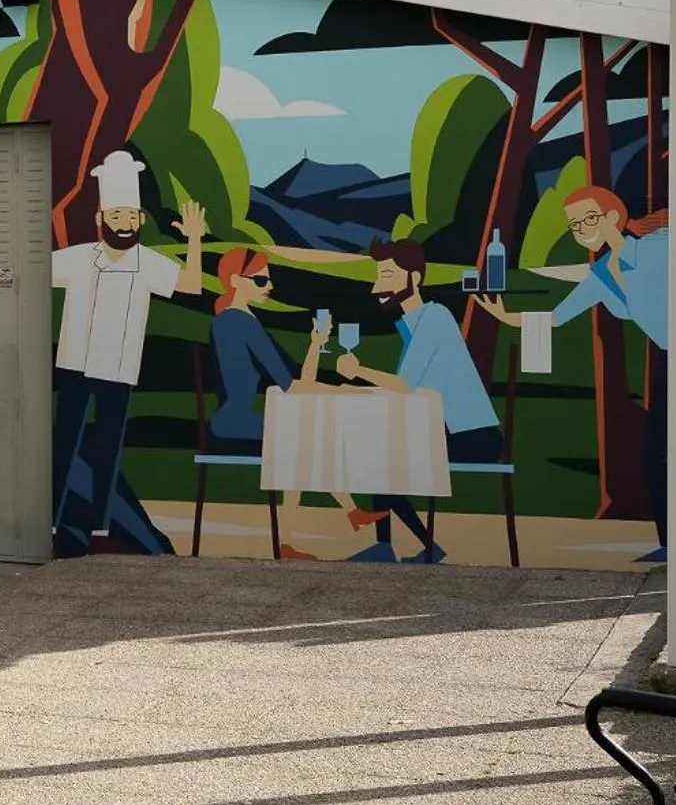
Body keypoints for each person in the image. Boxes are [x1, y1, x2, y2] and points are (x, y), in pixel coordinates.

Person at [476, 184, 676, 563]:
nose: (582, 229)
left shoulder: (657, 248)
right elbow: (556, 317)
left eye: (588, 219)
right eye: (575, 225)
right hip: (674, 355)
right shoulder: (601, 275)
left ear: (613, 216)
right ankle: (670, 545)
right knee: (656, 451)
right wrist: (505, 316)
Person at [52, 150, 207, 557]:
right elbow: (35, 270)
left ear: (140, 221)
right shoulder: (79, 258)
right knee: (63, 445)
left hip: (119, 369)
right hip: (74, 364)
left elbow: (192, 285)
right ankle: (51, 522)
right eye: (117, 216)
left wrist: (194, 239)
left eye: (131, 217)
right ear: (100, 219)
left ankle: (100, 527)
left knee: (107, 450)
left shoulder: (149, 263)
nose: (124, 224)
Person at [207, 248, 383, 555]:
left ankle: (344, 516)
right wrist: (344, 391)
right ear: (235, 280)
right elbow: (291, 386)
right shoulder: (239, 322)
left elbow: (295, 380)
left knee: (304, 441)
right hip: (234, 420)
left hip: (241, 416)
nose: (270, 286)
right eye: (261, 280)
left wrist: (315, 344)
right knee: (302, 442)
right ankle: (309, 531)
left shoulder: (239, 319)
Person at [340, 238, 502, 564]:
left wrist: (358, 371)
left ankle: (403, 547)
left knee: (381, 463)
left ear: (414, 279)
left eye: (387, 276)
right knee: (379, 458)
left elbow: (403, 385)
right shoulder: (414, 325)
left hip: (472, 436)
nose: (376, 287)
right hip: (445, 430)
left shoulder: (435, 317)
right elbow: (406, 392)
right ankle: (398, 547)